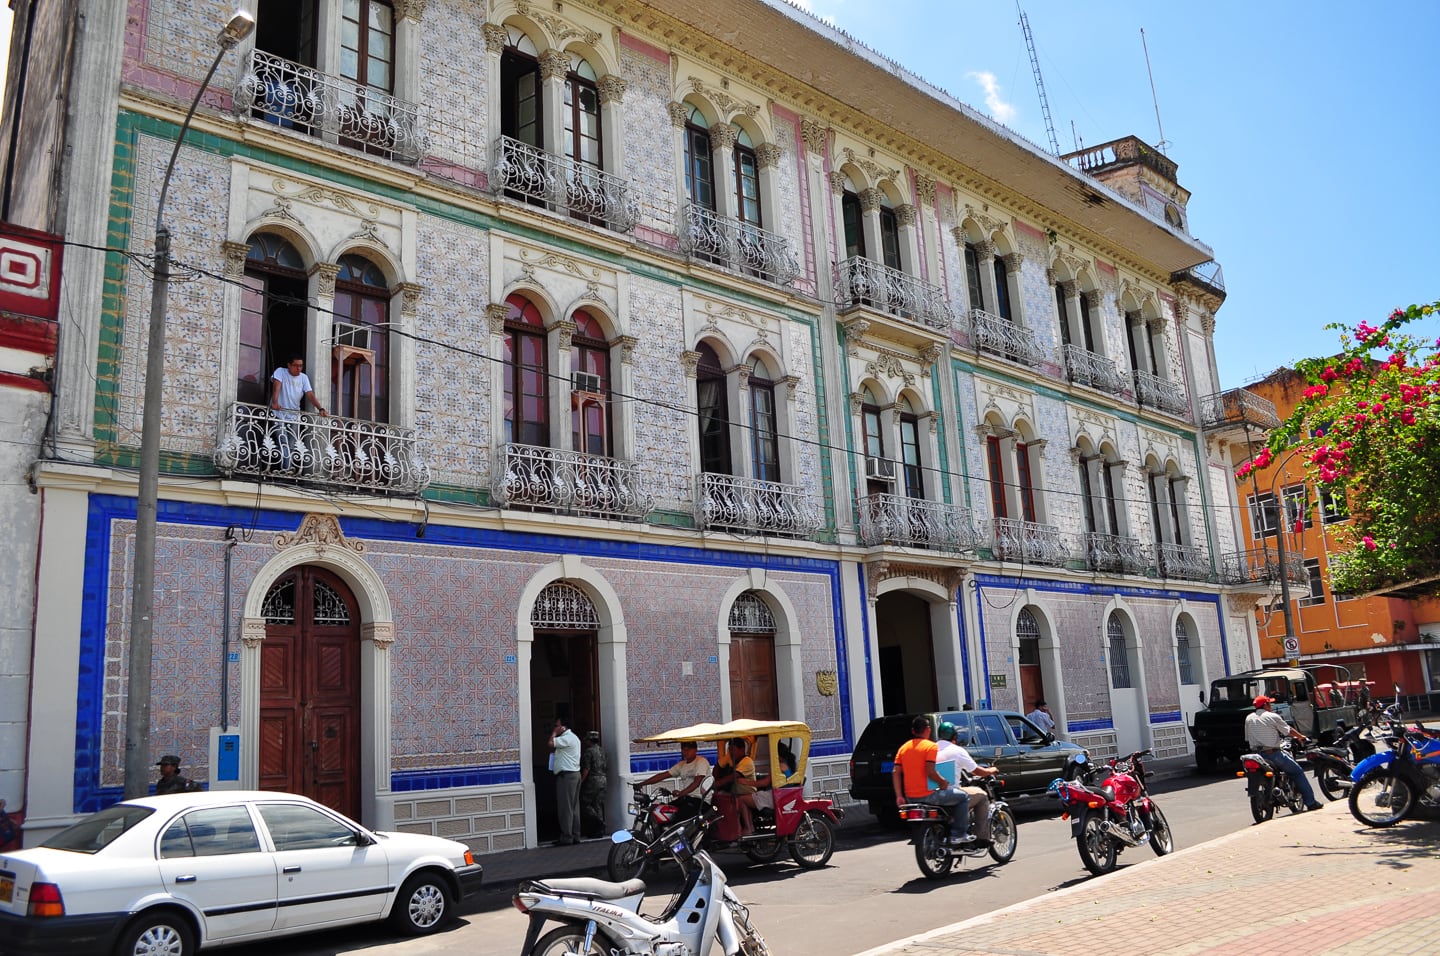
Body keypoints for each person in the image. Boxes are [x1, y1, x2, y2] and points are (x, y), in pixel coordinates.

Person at [892, 716, 971, 845]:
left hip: (911, 798)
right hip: (930, 796)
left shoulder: (903, 748)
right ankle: (959, 834)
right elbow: (930, 771)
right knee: (963, 797)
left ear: (913, 731)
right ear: (928, 730)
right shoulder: (930, 747)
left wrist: (899, 796)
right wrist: (942, 782)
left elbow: (895, 772)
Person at [1246, 695, 1322, 811]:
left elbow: (1248, 738)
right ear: (1265, 705)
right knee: (1297, 772)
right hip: (1272, 754)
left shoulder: (1249, 718)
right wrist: (1301, 737)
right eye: (1269, 704)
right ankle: (1311, 803)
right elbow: (1288, 730)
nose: (1271, 706)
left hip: (1256, 755)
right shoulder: (1272, 716)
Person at [935, 722, 999, 845]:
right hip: (951, 793)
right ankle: (981, 837)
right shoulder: (957, 751)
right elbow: (977, 771)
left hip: (933, 794)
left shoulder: (931, 749)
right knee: (981, 795)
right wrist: (991, 770)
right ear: (955, 736)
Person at [270, 356, 327, 470]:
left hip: (294, 416)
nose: (299, 368)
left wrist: (320, 408)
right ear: (289, 365)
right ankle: (286, 470)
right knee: (283, 442)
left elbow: (310, 394)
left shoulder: (304, 378)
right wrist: (275, 403)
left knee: (291, 445)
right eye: (296, 365)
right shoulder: (281, 372)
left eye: (301, 366)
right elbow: (276, 386)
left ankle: (286, 468)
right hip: (279, 414)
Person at [714, 738, 760, 835]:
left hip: (748, 793)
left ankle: (747, 828)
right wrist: (715, 780)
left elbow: (733, 777)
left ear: (742, 749)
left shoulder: (747, 761)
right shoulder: (730, 756)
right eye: (729, 750)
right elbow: (717, 766)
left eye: (733, 750)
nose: (731, 753)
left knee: (739, 801)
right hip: (735, 792)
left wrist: (716, 784)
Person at [636, 740, 712, 798]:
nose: (686, 752)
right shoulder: (682, 764)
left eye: (689, 750)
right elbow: (663, 775)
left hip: (700, 800)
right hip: (687, 798)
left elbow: (696, 783)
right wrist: (642, 783)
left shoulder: (701, 761)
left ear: (695, 750)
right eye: (684, 750)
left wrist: (681, 793)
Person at [549, 716, 583, 843]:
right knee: (574, 807)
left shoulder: (566, 738)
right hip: (574, 774)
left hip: (567, 776)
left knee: (566, 807)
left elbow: (550, 743)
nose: (555, 728)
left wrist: (553, 733)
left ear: (563, 727)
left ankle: (567, 836)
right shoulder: (573, 738)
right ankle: (575, 834)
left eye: (556, 726)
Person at [579, 730, 608, 838]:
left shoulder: (589, 751)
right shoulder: (602, 751)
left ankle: (599, 823)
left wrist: (581, 780)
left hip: (593, 780)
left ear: (589, 740)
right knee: (598, 804)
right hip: (604, 779)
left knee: (585, 804)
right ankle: (599, 830)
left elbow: (587, 768)